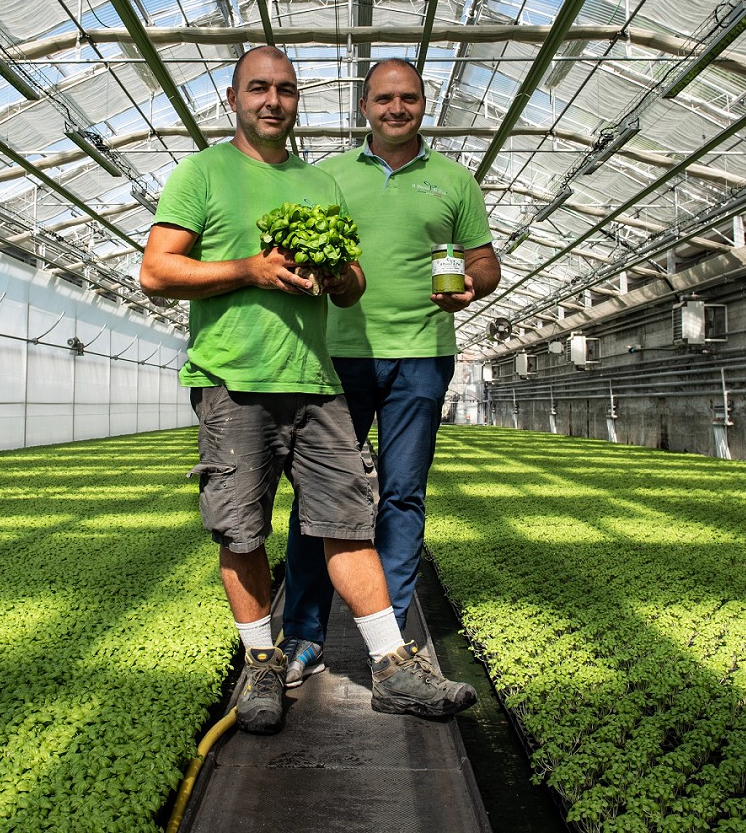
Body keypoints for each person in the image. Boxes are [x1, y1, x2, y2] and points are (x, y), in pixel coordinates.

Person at [139, 45, 477, 735]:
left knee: (347, 519)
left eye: (286, 90)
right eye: (258, 88)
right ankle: (263, 663)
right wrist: (251, 270)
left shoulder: (320, 185)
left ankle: (393, 667)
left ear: (298, 101)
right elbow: (157, 271)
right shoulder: (202, 173)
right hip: (234, 378)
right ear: (231, 100)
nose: (273, 100)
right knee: (242, 529)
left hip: (317, 377)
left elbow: (350, 284)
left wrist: (339, 275)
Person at [279, 57, 500, 688]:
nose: (395, 109)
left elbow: (485, 264)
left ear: (424, 104)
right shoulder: (328, 177)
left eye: (407, 98)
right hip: (337, 354)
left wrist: (471, 290)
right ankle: (302, 635)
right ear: (364, 107)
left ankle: (393, 643)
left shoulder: (455, 181)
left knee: (403, 495)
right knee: (320, 501)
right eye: (383, 99)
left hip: (423, 354)